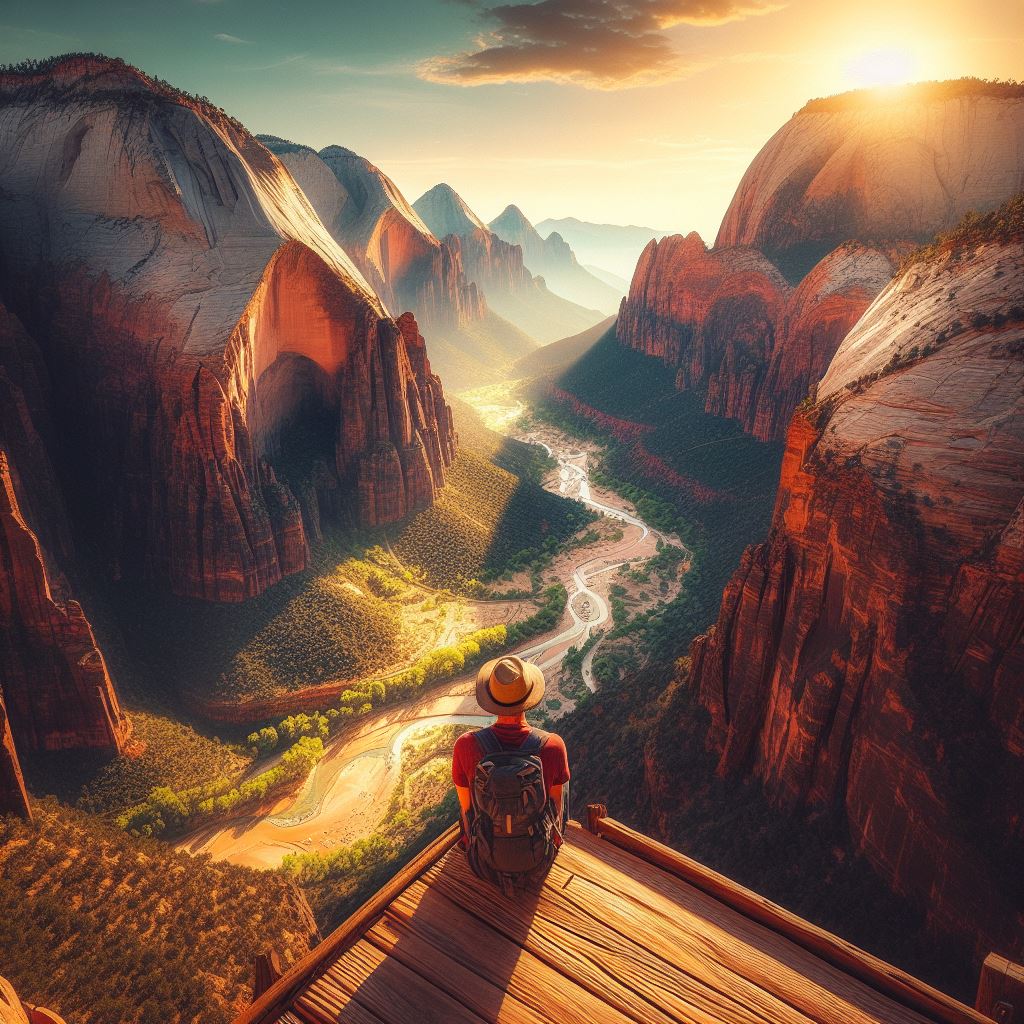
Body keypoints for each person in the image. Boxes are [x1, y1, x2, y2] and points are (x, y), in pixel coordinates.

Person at [452, 656, 570, 895]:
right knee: (563, 791)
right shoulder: (553, 745)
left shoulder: (465, 746)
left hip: (483, 862)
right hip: (540, 860)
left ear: (491, 699)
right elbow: (557, 807)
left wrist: (471, 841)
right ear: (529, 697)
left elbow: (467, 810)